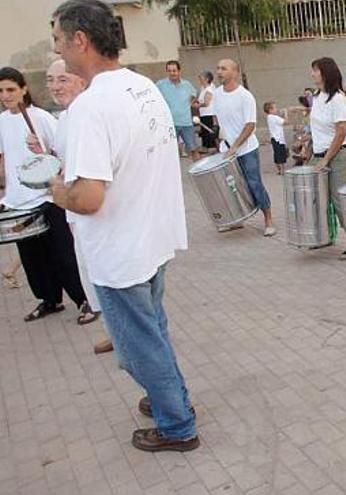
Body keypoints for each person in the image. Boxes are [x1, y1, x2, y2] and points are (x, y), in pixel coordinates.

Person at [50, 0, 199, 451]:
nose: (55, 48)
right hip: (151, 238)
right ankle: (171, 399)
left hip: (122, 250)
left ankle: (177, 424)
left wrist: (58, 190)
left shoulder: (92, 107)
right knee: (153, 331)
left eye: (58, 39)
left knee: (138, 347)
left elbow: (90, 196)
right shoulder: (141, 86)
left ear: (81, 41)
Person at [26, 59, 109, 351]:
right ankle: (114, 330)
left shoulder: (88, 114)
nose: (54, 86)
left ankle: (124, 335)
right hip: (75, 209)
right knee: (90, 269)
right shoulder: (65, 117)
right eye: (50, 80)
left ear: (80, 81)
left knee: (105, 272)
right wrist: (45, 152)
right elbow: (64, 161)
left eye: (62, 79)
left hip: (94, 207)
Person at [0, 66, 93, 324]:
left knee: (62, 253)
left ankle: (83, 299)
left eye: (10, 89)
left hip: (47, 197)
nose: (5, 95)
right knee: (32, 259)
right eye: (1, 91)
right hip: (18, 200)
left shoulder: (40, 117)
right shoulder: (2, 121)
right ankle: (49, 300)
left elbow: (61, 154)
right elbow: (4, 159)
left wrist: (42, 151)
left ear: (24, 89)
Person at [213, 58, 275, 236]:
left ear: (235, 72)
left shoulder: (245, 96)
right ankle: (236, 220)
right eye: (218, 68)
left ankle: (268, 219)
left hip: (246, 149)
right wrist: (222, 141)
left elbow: (250, 125)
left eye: (223, 69)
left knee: (254, 184)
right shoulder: (217, 94)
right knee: (230, 187)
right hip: (226, 150)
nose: (219, 72)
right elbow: (219, 119)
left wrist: (236, 146)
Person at [310, 57, 346, 259]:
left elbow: (341, 132)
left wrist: (326, 159)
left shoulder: (338, 99)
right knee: (319, 197)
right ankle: (326, 236)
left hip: (337, 155)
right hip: (319, 153)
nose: (312, 74)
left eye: (316, 70)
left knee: (339, 199)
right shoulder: (318, 97)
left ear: (326, 73)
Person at [156, 60, 199, 160]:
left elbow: (193, 99)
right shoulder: (160, 85)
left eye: (174, 71)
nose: (172, 73)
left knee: (194, 150)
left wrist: (195, 104)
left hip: (186, 123)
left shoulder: (187, 85)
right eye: (169, 71)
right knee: (168, 152)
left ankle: (200, 172)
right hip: (169, 124)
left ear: (179, 71)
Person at [264, 101, 289, 175]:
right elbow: (286, 121)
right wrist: (286, 113)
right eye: (275, 108)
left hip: (274, 138)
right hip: (278, 139)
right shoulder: (274, 117)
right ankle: (282, 170)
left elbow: (278, 116)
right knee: (280, 155)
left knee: (277, 155)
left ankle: (279, 170)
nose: (277, 109)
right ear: (270, 110)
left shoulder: (270, 117)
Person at [195, 70, 217, 153]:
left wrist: (198, 105)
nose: (199, 80)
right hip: (204, 114)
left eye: (201, 78)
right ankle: (206, 147)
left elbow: (207, 103)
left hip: (209, 113)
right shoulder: (203, 88)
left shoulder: (209, 89)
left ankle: (212, 148)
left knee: (208, 131)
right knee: (204, 131)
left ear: (207, 79)